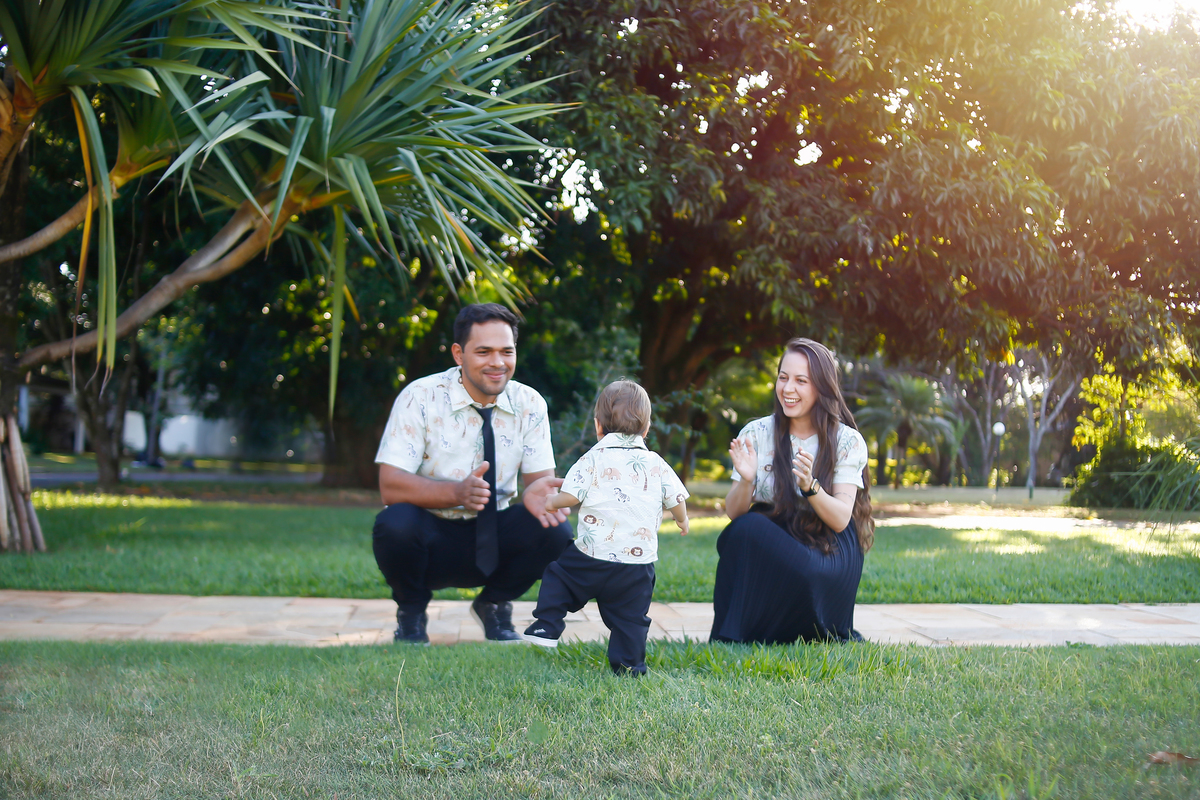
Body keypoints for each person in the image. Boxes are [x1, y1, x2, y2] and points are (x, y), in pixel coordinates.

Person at [372, 303, 573, 644]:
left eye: (506, 351)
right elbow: (390, 485)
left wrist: (542, 495)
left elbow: (541, 485)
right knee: (395, 523)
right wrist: (456, 493)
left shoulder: (529, 403)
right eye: (484, 352)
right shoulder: (420, 397)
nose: (497, 362)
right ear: (458, 354)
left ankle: (494, 603)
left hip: (495, 533)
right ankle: (411, 613)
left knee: (555, 529)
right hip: (431, 535)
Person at [710, 338, 874, 644]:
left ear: (822, 387)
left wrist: (810, 486)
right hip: (777, 533)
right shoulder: (756, 433)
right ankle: (747, 631)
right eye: (783, 377)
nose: (788, 388)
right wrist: (746, 480)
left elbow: (841, 518)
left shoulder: (846, 440)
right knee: (744, 529)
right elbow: (734, 513)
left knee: (749, 527)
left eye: (801, 381)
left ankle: (806, 622)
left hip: (829, 546)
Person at [521, 380, 689, 674]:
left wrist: (550, 502)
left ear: (598, 426)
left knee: (559, 577)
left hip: (591, 556)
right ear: (646, 429)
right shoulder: (656, 463)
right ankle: (630, 666)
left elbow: (571, 497)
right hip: (636, 565)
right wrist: (682, 519)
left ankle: (547, 624)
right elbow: (676, 499)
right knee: (631, 619)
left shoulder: (592, 458)